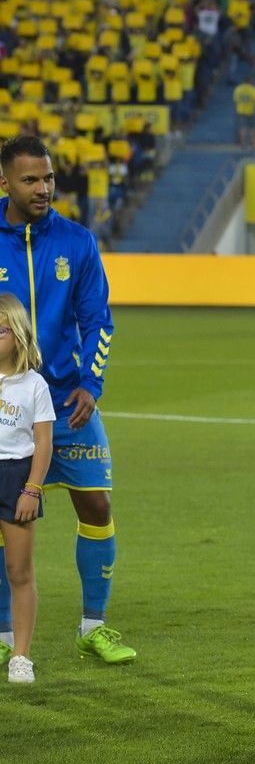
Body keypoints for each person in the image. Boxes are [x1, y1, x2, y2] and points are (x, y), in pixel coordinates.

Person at [0, 135, 136, 666]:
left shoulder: (77, 242)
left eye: (49, 178)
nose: (43, 188)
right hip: (6, 407)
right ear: (5, 182)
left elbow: (98, 320)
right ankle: (6, 635)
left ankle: (93, 627)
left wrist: (91, 384)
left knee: (97, 503)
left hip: (66, 404)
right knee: (4, 514)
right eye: (30, 179)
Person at [0, 293, 55, 683]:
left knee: (19, 571)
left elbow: (43, 443)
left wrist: (32, 488)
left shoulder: (34, 385)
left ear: (18, 333)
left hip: (16, 477)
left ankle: (21, 657)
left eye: (1, 330)